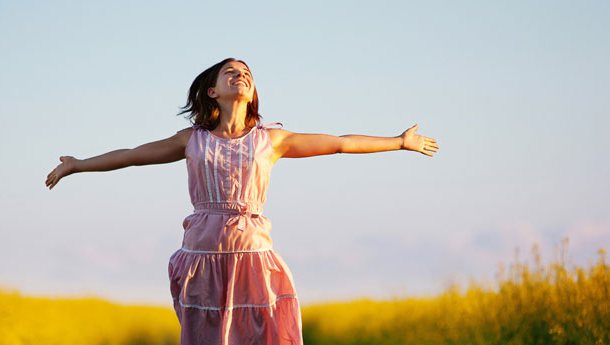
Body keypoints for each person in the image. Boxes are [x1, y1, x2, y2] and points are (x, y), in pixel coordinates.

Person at [44, 58, 439, 344]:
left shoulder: (272, 140)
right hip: (201, 259)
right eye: (231, 71)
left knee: (262, 335)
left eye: (247, 73)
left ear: (252, 94)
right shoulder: (191, 140)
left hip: (252, 258)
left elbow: (338, 143)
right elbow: (131, 154)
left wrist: (399, 142)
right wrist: (78, 165)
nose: (242, 75)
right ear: (213, 90)